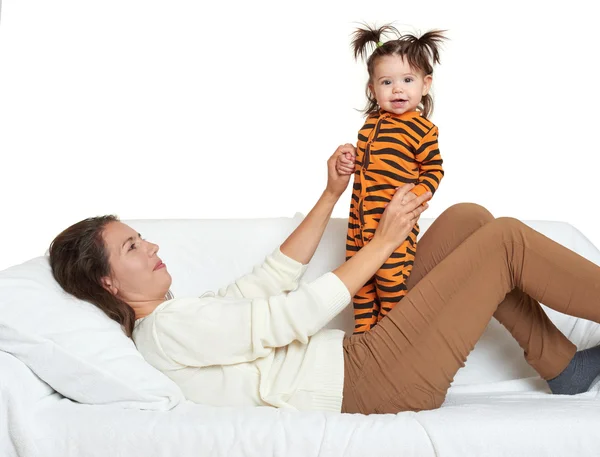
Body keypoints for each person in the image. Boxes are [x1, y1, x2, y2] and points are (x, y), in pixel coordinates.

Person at [49, 145, 600, 414]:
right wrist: (383, 243)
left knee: (468, 221)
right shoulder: (166, 332)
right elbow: (291, 316)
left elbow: (270, 281)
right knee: (502, 239)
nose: (152, 247)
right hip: (374, 382)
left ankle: (563, 367)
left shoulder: (179, 317)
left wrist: (332, 193)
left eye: (141, 237)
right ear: (109, 285)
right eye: (132, 248)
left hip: (367, 357)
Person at [341, 24, 447, 334]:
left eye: (407, 80)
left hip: (394, 226)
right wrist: (350, 159)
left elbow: (434, 170)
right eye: (387, 82)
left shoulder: (423, 130)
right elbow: (367, 167)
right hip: (359, 225)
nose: (397, 89)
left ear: (425, 85)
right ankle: (363, 340)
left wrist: (415, 199)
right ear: (373, 89)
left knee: (389, 284)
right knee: (359, 285)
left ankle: (392, 340)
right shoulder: (369, 125)